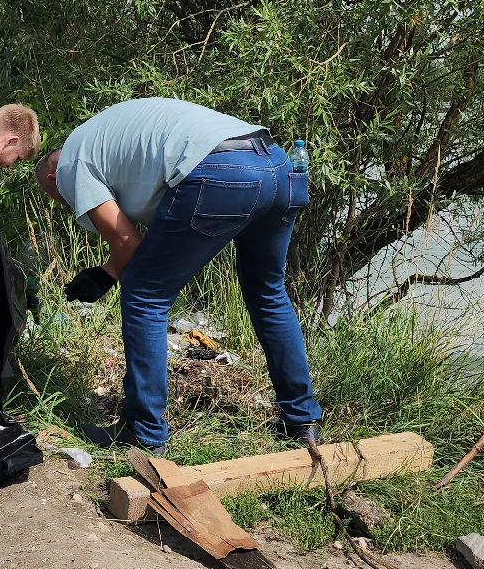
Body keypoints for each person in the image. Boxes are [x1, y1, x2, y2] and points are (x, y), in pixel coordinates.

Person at [38, 97, 320, 454]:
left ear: (53, 178)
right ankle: (301, 420)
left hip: (221, 170)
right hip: (278, 164)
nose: (68, 204)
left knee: (145, 298)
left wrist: (108, 277)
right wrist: (107, 273)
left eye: (58, 198)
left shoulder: (70, 165)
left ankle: (144, 433)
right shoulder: (103, 138)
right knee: (267, 292)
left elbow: (127, 241)